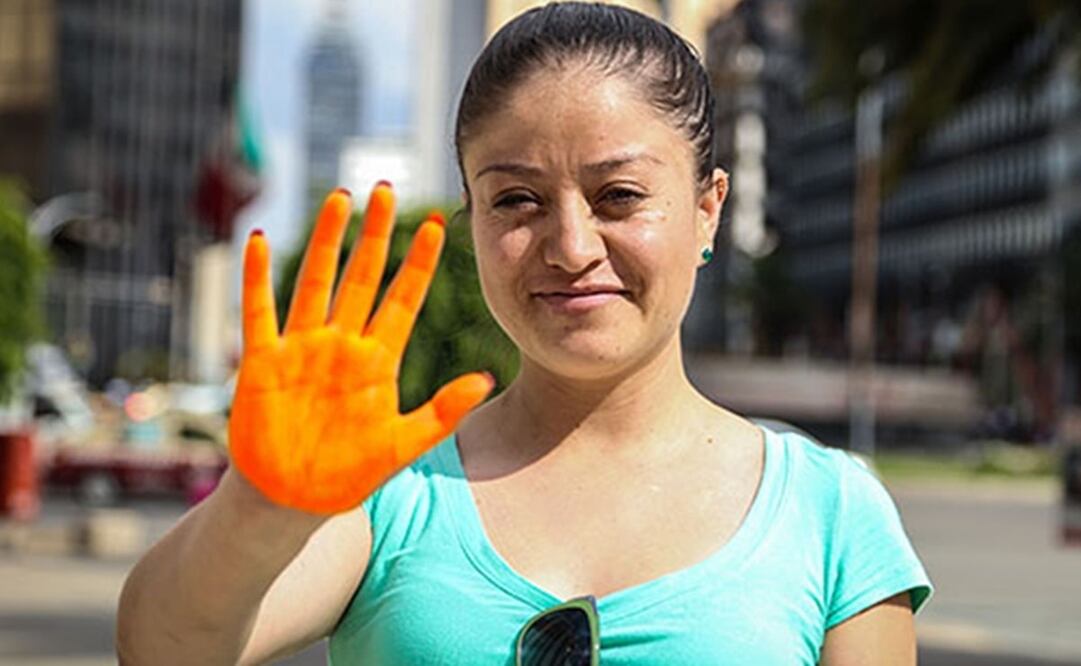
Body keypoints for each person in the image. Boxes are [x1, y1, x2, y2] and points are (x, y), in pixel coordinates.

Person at [117, 3, 932, 664]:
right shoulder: (388, 495)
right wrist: (261, 504)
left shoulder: (831, 512)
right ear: (471, 220)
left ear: (707, 207)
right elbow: (163, 648)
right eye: (515, 201)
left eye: (617, 196)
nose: (571, 248)